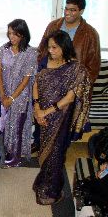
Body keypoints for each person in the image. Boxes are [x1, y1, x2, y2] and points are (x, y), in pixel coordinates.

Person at [32, 0, 101, 153]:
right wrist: (41, 73)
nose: (68, 13)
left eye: (73, 10)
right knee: (41, 111)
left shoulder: (90, 34)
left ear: (81, 11)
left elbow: (93, 66)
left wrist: (77, 86)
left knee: (63, 120)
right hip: (48, 81)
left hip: (71, 85)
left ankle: (59, 147)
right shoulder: (53, 26)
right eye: (66, 9)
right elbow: (42, 50)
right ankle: (39, 141)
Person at [32, 30, 91, 205]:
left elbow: (70, 97)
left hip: (61, 118)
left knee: (56, 153)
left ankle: (52, 191)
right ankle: (43, 183)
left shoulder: (76, 68)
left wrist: (46, 111)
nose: (51, 51)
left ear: (64, 47)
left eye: (54, 47)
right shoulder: (45, 61)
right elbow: (36, 83)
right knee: (45, 151)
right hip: (42, 116)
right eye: (49, 47)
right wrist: (37, 108)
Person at [0, 19, 37, 167]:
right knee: (4, 125)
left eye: (15, 34)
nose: (11, 37)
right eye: (10, 33)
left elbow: (26, 79)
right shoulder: (4, 49)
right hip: (4, 92)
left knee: (17, 126)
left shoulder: (30, 53)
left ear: (23, 35)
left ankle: (16, 156)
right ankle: (6, 151)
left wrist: (12, 98)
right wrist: (1, 93)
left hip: (20, 96)